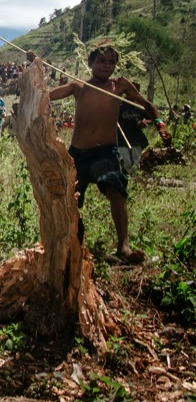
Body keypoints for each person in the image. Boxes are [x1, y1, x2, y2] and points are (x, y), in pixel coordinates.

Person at [48, 45, 171, 264]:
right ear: (91, 63)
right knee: (69, 199)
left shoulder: (120, 85)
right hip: (77, 154)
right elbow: (48, 96)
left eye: (111, 62)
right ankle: (69, 243)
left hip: (105, 151)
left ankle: (124, 246)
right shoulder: (79, 86)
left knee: (116, 189)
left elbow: (147, 105)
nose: (107, 66)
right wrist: (34, 74)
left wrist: (160, 124)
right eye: (102, 61)